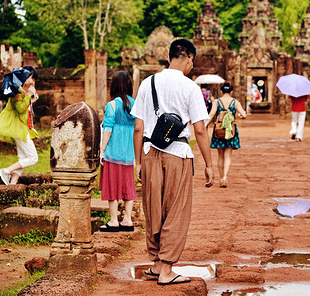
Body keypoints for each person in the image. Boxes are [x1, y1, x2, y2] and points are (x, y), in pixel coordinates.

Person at [131, 39, 214, 286]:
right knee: (176, 210)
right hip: (177, 153)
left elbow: (138, 126)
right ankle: (166, 270)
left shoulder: (148, 83)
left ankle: (156, 263)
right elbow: (199, 129)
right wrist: (209, 164)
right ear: (188, 59)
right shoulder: (190, 88)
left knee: (153, 208)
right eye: (192, 62)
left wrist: (138, 162)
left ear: (169, 57)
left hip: (148, 151)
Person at [98, 71, 137, 232]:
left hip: (112, 152)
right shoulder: (135, 104)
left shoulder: (112, 105)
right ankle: (127, 219)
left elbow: (107, 129)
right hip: (129, 153)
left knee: (112, 186)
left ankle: (114, 220)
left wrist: (101, 150)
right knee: (128, 185)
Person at [0, 66, 39, 185]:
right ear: (23, 79)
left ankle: (13, 183)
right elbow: (20, 109)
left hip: (21, 127)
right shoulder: (17, 92)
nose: (32, 80)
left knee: (23, 158)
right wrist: (29, 95)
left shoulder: (21, 91)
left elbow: (22, 108)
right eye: (30, 77)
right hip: (18, 128)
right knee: (33, 158)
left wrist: (31, 99)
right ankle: (6, 171)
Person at [206, 82, 247, 188]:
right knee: (228, 155)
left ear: (221, 91)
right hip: (230, 131)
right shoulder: (235, 102)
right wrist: (239, 115)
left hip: (219, 130)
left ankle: (220, 178)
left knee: (220, 155)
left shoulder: (217, 101)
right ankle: (225, 177)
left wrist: (205, 125)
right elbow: (243, 115)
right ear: (231, 92)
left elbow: (211, 114)